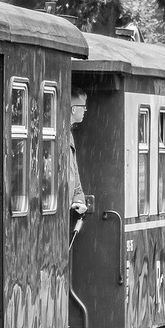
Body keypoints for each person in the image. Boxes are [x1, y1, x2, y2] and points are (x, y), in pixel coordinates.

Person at [67, 89, 90, 238]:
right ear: (73, 108)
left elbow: (73, 171)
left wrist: (78, 199)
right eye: (84, 107)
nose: (85, 110)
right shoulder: (63, 134)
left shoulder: (69, 135)